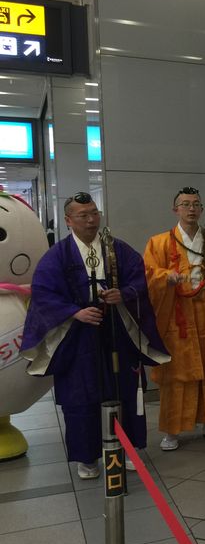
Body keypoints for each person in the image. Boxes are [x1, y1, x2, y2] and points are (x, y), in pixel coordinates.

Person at [21, 192, 169, 479]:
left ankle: (127, 448)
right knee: (81, 397)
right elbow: (43, 294)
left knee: (123, 389)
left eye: (94, 213)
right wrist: (74, 313)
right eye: (83, 215)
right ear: (68, 221)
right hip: (77, 339)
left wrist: (122, 294)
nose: (91, 220)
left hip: (117, 331)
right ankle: (87, 457)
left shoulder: (117, 250)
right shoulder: (57, 256)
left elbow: (139, 281)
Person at [144, 187, 205, 451]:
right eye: (185, 204)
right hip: (177, 315)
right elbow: (147, 273)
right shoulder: (158, 242)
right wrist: (164, 278)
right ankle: (172, 430)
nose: (191, 209)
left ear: (202, 209)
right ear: (175, 209)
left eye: (196, 204)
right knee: (177, 374)